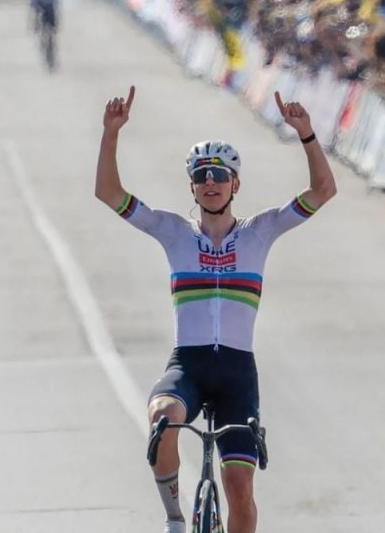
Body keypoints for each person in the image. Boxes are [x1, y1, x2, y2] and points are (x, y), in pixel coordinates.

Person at [94, 86, 337, 533]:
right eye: (202, 175)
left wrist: (306, 134)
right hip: (188, 366)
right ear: (192, 185)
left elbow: (324, 190)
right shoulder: (173, 231)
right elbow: (108, 193)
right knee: (162, 419)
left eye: (220, 175)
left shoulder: (260, 231)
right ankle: (174, 518)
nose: (211, 182)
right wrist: (111, 134)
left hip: (237, 374)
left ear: (235, 184)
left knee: (240, 491)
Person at [29, 0, 59, 68]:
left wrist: (34, 25)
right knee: (51, 33)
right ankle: (50, 46)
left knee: (42, 32)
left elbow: (34, 9)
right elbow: (56, 7)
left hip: (42, 16)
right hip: (51, 16)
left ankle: (44, 46)